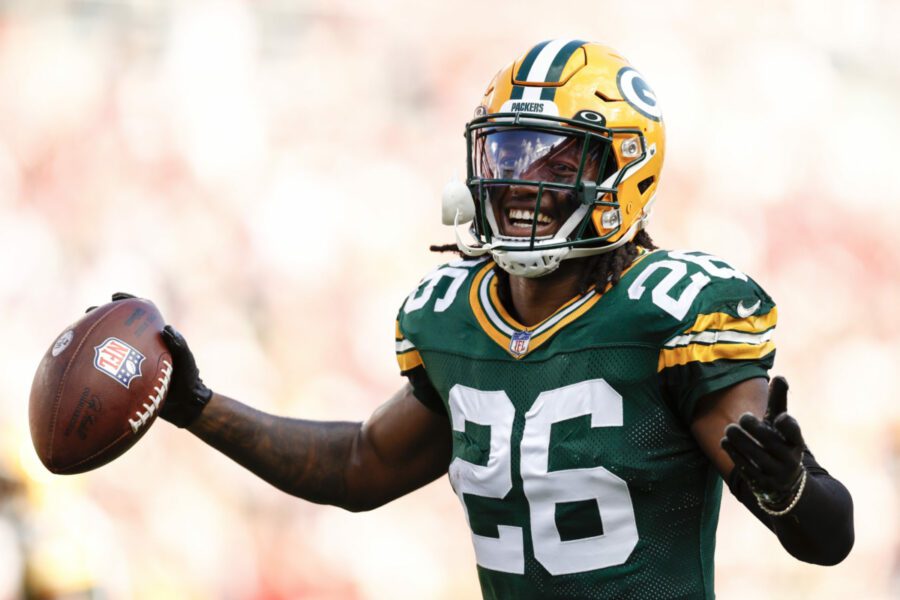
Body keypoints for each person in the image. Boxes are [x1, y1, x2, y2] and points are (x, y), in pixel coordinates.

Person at [146, 40, 854, 598]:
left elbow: (829, 537)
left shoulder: (672, 314)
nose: (521, 181)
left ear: (624, 171)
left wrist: (789, 487)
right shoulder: (454, 318)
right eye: (507, 152)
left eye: (555, 160)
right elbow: (359, 467)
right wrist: (199, 409)